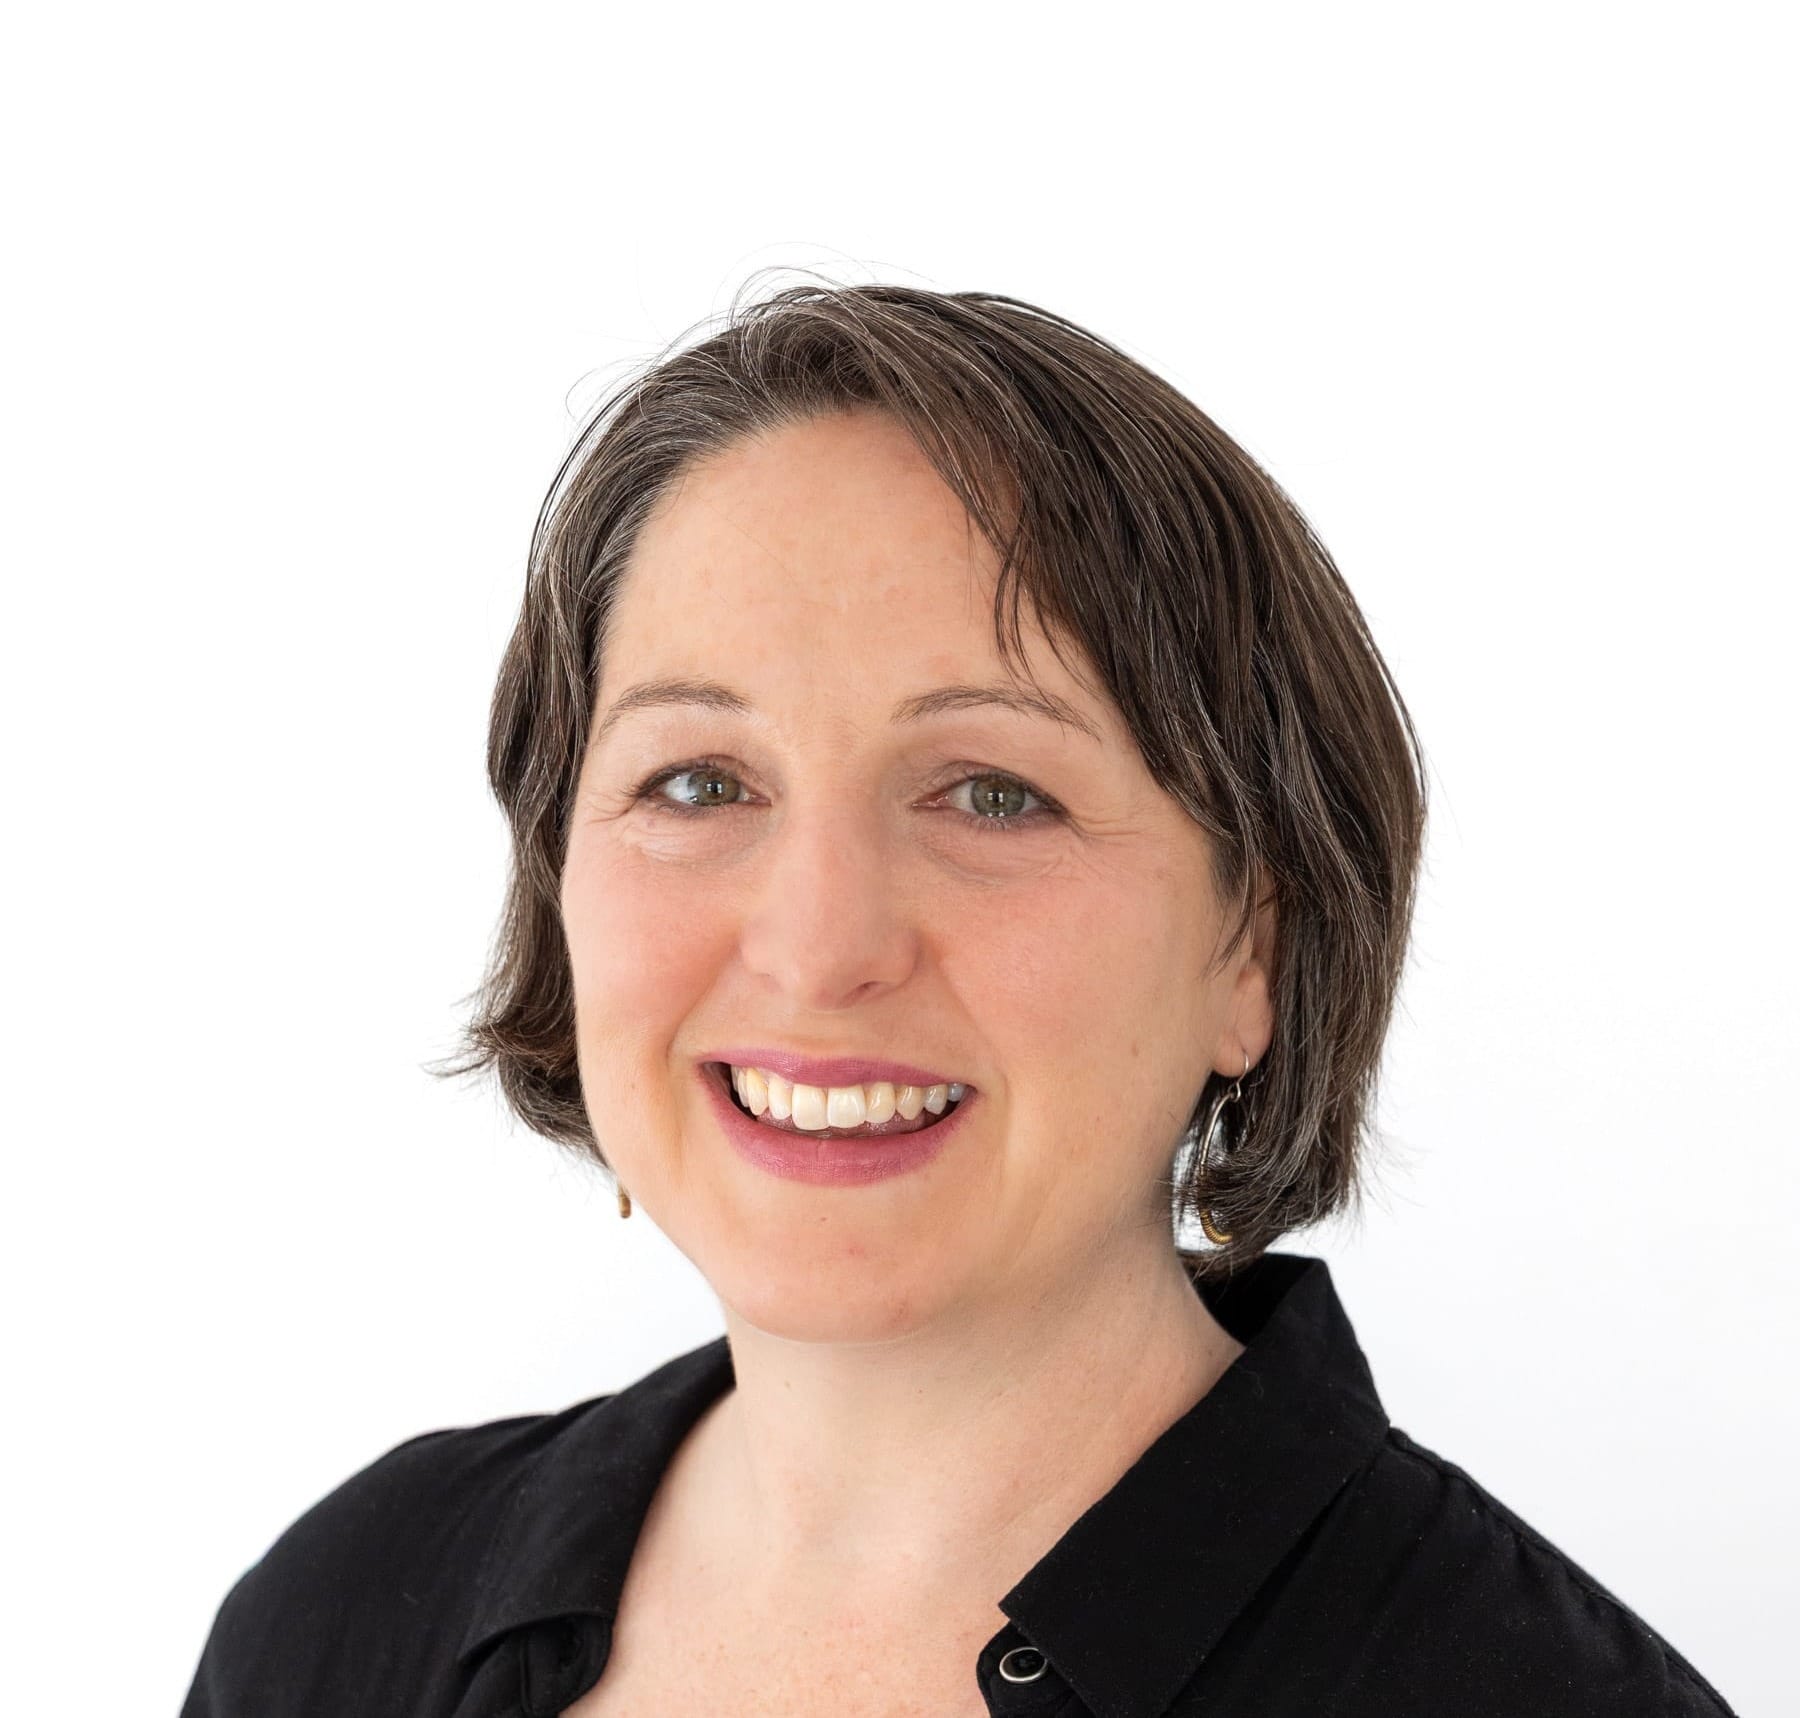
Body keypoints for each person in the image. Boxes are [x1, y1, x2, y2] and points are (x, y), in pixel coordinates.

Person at [180, 281, 1737, 1717]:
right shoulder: (338, 1623)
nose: (817, 944)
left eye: (991, 791)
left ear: (1253, 946)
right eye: (702, 779)